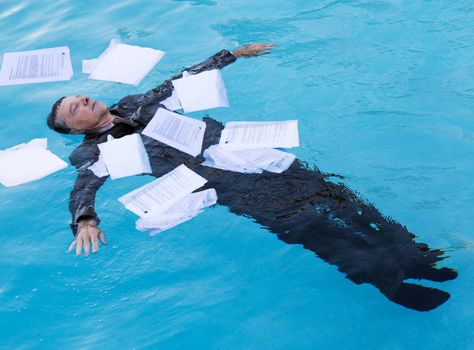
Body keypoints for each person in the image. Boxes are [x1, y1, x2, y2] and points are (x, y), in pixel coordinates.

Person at [47, 43, 457, 311]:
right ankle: (389, 282)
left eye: (78, 96)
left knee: (343, 199)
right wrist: (85, 220)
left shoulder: (135, 102)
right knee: (307, 227)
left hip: (251, 154)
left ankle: (414, 256)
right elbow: (85, 184)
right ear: (74, 128)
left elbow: (179, 82)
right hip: (225, 183)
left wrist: (232, 55)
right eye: (73, 108)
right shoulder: (90, 151)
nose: (81, 99)